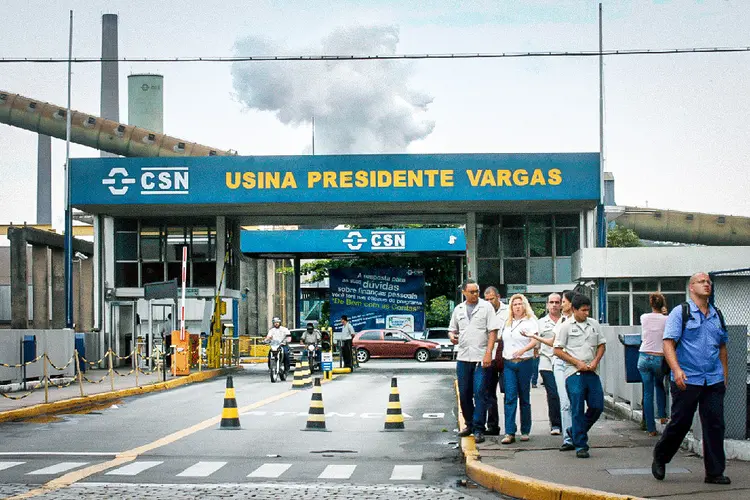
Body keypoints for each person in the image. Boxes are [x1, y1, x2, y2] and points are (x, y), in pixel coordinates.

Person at [652, 273, 730, 485]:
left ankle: (714, 472)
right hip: (687, 378)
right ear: (691, 287)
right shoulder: (681, 312)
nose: (706, 284)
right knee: (681, 422)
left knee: (715, 425)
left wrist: (724, 373)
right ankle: (661, 456)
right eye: (701, 282)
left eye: (708, 282)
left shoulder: (717, 315)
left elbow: (722, 346)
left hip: (712, 379)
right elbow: (668, 343)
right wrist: (676, 370)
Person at [449, 279, 503, 444]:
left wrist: (489, 353)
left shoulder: (486, 307)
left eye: (477, 291)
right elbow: (452, 329)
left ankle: (479, 428)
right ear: (464, 292)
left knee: (480, 392)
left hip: (481, 357)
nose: (475, 294)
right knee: (464, 393)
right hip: (464, 356)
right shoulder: (458, 309)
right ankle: (470, 424)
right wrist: (452, 337)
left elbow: (492, 331)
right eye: (471, 292)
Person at [553, 294, 606, 459]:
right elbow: (557, 350)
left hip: (591, 370)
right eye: (583, 310)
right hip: (573, 372)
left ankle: (573, 431)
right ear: (574, 309)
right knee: (576, 407)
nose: (586, 313)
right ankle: (581, 445)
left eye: (588, 310)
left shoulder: (594, 325)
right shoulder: (565, 326)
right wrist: (576, 362)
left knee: (597, 406)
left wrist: (596, 360)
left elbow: (601, 345)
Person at [499, 294, 538, 444]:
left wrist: (523, 350)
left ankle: (525, 430)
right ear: (511, 307)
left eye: (520, 304)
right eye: (514, 304)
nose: (517, 307)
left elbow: (534, 340)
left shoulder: (530, 322)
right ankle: (509, 431)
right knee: (510, 397)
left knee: (524, 397)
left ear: (524, 306)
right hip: (509, 363)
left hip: (524, 362)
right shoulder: (507, 323)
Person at [525, 293, 563, 435]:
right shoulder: (541, 323)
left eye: (557, 302)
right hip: (547, 362)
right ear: (547, 305)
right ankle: (556, 424)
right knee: (553, 393)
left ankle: (568, 423)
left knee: (565, 394)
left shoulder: (566, 320)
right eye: (551, 302)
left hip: (565, 362)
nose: (554, 305)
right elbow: (535, 341)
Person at [638, 292, 669, 437]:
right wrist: (665, 312)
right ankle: (663, 416)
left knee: (647, 392)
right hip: (659, 357)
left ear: (651, 304)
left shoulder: (643, 317)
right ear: (662, 304)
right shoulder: (667, 319)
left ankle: (651, 428)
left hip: (643, 356)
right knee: (659, 385)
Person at [483, 286, 509, 436]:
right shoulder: (483, 311)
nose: (489, 302)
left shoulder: (508, 311)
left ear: (498, 297)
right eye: (486, 299)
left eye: (491, 299)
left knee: (508, 391)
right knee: (488, 392)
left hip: (505, 354)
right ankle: (493, 426)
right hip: (490, 355)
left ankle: (510, 427)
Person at [553, 290, 576, 451]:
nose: (561, 305)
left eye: (563, 302)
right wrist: (535, 338)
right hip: (560, 364)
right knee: (565, 403)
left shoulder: (580, 322)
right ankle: (568, 438)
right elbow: (554, 344)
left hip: (575, 365)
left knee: (577, 402)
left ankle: (578, 433)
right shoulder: (561, 321)